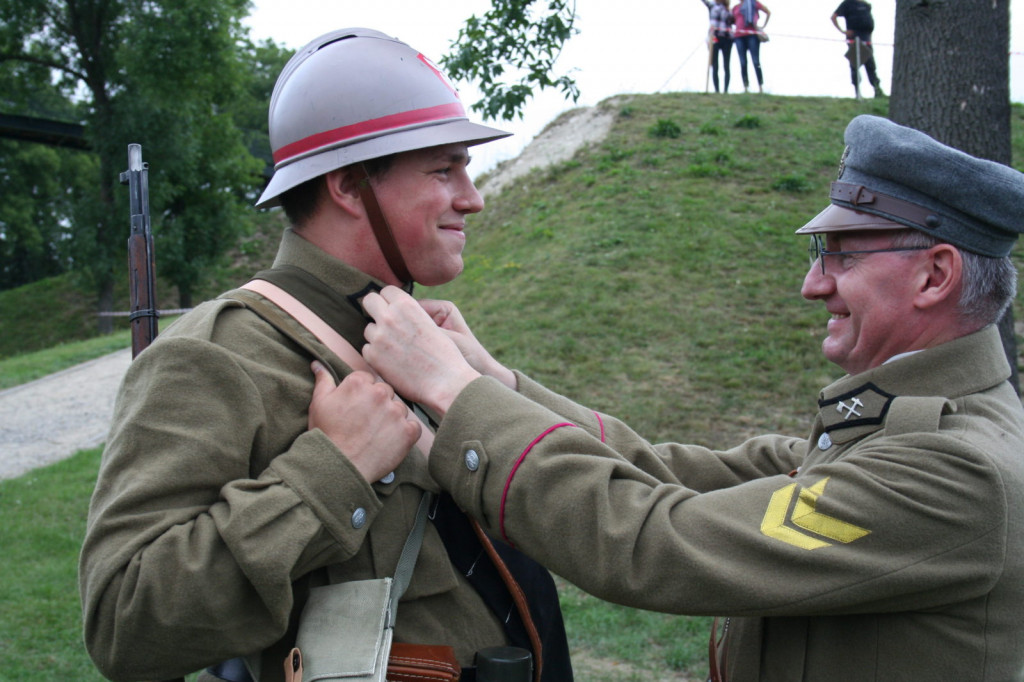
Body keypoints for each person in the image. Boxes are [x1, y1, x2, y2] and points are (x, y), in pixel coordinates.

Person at [358, 115, 1024, 681]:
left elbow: (660, 541)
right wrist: (496, 383)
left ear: (935, 275)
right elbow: (670, 475)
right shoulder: (908, 433)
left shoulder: (954, 471)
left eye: (840, 255)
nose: (812, 285)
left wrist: (453, 392)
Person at [78, 28, 573, 682]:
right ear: (347, 184)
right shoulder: (218, 356)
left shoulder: (417, 337)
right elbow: (123, 622)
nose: (471, 197)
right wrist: (332, 471)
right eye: (443, 168)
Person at [832, 0, 884, 98]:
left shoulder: (865, 5)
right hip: (854, 39)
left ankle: (877, 90)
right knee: (855, 64)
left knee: (870, 65)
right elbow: (833, 17)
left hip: (866, 39)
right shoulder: (848, 3)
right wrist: (843, 31)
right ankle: (857, 92)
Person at [731, 0, 770, 93]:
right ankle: (746, 87)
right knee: (743, 62)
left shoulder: (754, 3)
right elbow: (733, 21)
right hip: (738, 37)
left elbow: (768, 12)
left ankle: (760, 86)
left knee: (756, 61)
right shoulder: (735, 8)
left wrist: (762, 26)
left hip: (752, 35)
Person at [701, 0, 734, 93]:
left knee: (726, 65)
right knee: (715, 65)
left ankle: (725, 90)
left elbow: (734, 21)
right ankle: (717, 90)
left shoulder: (729, 10)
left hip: (727, 39)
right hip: (714, 38)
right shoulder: (712, 6)